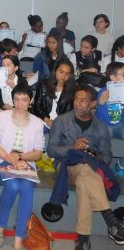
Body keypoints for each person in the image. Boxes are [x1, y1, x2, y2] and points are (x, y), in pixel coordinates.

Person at [47, 84, 124, 249]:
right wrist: (73, 147)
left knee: (85, 177)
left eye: (83, 100)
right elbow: (52, 150)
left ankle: (82, 240)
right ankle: (111, 220)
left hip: (89, 171)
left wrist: (91, 154)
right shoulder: (61, 121)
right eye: (76, 99)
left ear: (93, 104)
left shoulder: (101, 126)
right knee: (85, 169)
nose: (78, 103)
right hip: (65, 168)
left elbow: (107, 157)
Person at [0, 82, 44, 250]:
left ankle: (19, 236)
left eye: (24, 100)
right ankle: (0, 227)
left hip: (25, 164)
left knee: (27, 186)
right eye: (17, 99)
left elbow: (37, 153)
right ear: (12, 100)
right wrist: (11, 159)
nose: (20, 104)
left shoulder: (37, 123)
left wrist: (20, 157)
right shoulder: (1, 117)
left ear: (31, 101)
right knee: (12, 185)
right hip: (0, 161)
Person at [96, 62, 124, 177]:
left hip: (120, 125)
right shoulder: (103, 91)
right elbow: (102, 117)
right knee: (103, 135)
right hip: (105, 125)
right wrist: (102, 103)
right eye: (123, 75)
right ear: (112, 77)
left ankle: (121, 165)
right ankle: (101, 165)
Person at [32, 59, 76, 129]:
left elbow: (70, 112)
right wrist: (46, 119)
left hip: (61, 124)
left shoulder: (72, 90)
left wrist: (58, 122)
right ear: (55, 71)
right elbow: (37, 106)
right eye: (61, 72)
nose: (63, 76)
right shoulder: (44, 85)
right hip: (43, 120)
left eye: (67, 74)